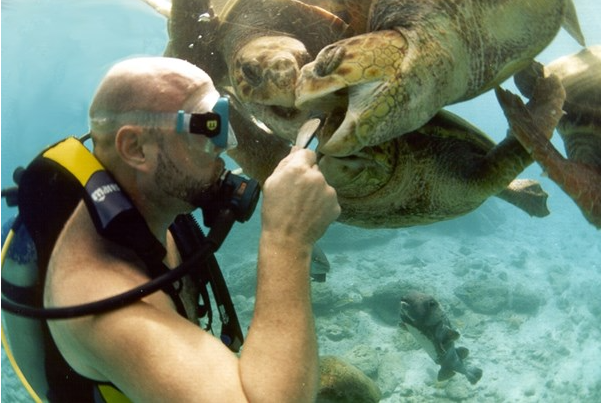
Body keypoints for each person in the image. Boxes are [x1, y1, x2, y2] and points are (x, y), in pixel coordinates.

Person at [43, 57, 340, 402]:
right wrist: (288, 239)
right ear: (136, 149)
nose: (226, 146)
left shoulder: (151, 203)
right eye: (208, 127)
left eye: (225, 121)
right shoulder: (105, 305)